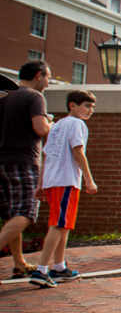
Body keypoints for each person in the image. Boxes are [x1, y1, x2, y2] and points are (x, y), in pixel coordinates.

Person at [32, 90, 98, 285]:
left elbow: (46, 156)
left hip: (52, 181)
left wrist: (40, 185)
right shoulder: (77, 124)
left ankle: (59, 266)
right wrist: (89, 179)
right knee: (59, 224)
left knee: (63, 225)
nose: (90, 110)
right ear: (72, 105)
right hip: (66, 180)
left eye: (92, 107)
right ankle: (41, 270)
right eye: (87, 105)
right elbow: (78, 152)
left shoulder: (56, 125)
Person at [0, 61, 54, 286]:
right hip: (23, 161)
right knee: (26, 212)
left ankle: (19, 264)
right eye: (48, 77)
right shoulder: (34, 97)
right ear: (38, 75)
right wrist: (51, 124)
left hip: (1, 162)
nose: (48, 83)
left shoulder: (4, 99)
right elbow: (40, 129)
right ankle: (19, 263)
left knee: (12, 215)